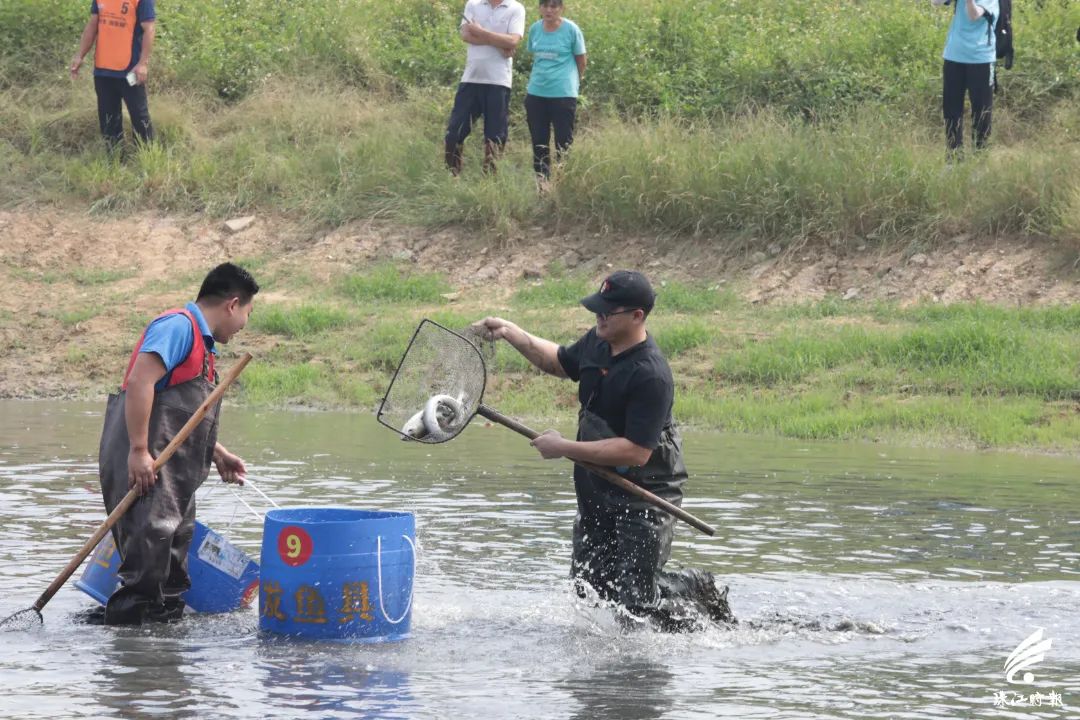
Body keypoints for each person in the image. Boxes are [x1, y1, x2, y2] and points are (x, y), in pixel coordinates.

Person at [474, 271, 733, 629]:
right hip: (598, 486)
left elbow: (636, 452)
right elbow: (559, 361)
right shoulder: (598, 342)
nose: (599, 317)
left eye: (608, 312)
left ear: (637, 316)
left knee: (636, 604)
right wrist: (512, 333)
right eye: (598, 309)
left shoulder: (651, 375)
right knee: (588, 590)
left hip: (646, 494)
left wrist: (563, 447)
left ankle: (693, 588)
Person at [94, 263, 258, 625]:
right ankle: (133, 661)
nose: (245, 323)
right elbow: (140, 382)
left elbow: (179, 414)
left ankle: (162, 654)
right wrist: (138, 451)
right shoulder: (178, 326)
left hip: (170, 475)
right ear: (232, 304)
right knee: (145, 568)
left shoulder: (204, 347)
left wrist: (217, 453)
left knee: (171, 565)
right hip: (144, 465)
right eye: (248, 312)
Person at [445, 0, 527, 175]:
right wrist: (499, 41)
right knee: (455, 130)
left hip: (498, 81)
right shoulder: (473, 4)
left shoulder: (516, 8)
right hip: (471, 78)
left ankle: (489, 180)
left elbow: (513, 40)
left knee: (495, 135)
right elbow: (466, 35)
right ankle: (451, 175)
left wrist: (481, 32)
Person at [70, 0, 157, 152]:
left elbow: (149, 29)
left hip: (130, 70)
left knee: (139, 117)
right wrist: (80, 55)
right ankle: (114, 159)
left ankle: (148, 158)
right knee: (108, 120)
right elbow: (92, 25)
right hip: (103, 70)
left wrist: (143, 63)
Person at [524, 0, 586, 180]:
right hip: (536, 94)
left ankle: (562, 181)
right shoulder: (535, 29)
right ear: (539, 8)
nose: (549, 10)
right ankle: (542, 184)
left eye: (554, 6)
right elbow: (535, 57)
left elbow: (581, 60)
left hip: (563, 94)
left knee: (563, 142)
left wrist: (573, 81)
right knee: (539, 142)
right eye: (545, 6)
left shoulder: (571, 29)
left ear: (561, 8)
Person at [933, 0, 999, 154]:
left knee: (981, 111)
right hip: (954, 55)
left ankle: (979, 158)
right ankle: (953, 157)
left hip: (981, 58)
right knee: (951, 109)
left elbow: (974, 15)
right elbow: (935, 3)